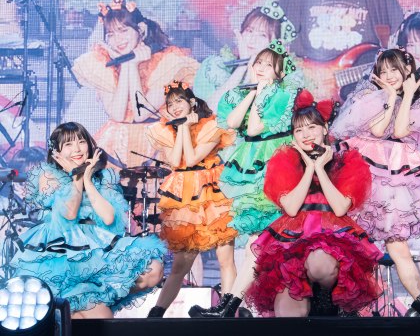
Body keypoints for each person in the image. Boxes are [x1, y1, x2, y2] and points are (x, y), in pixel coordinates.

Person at [330, 48, 420, 316]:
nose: (389, 75)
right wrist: (391, 96)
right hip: (367, 176)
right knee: (352, 243)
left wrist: (405, 95)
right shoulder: (371, 97)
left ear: (407, 70)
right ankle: (342, 305)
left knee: (397, 245)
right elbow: (379, 130)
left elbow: (402, 130)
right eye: (383, 71)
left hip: (396, 180)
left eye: (394, 69)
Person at [189, 40, 302, 318]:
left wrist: (261, 95)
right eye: (258, 62)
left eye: (268, 65)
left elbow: (253, 129)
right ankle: (233, 305)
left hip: (275, 166)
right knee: (257, 241)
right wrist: (253, 94)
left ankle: (234, 305)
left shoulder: (283, 94)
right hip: (251, 166)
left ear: (280, 71)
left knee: (270, 242)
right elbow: (231, 122)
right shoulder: (245, 92)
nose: (260, 68)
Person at [244, 90, 381, 317]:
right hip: (292, 240)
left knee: (320, 265)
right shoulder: (285, 160)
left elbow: (340, 208)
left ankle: (326, 299)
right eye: (299, 130)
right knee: (287, 315)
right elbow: (291, 208)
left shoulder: (345, 160)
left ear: (325, 129)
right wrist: (309, 168)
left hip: (330, 234)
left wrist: (321, 169)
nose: (306, 134)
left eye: (311, 127)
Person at [9, 122, 166, 318]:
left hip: (96, 247)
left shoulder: (102, 177)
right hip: (62, 254)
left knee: (154, 270)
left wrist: (88, 180)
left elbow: (108, 218)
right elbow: (69, 214)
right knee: (100, 317)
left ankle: (90, 302)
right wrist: (76, 177)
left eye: (81, 142)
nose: (77, 149)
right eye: (68, 144)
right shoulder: (48, 175)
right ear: (57, 152)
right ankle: (74, 309)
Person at [144, 81, 237, 318]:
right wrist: (182, 128)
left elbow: (194, 158)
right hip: (184, 196)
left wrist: (186, 127)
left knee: (225, 256)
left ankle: (226, 310)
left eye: (180, 101)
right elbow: (176, 162)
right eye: (170, 104)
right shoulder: (165, 130)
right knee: (180, 264)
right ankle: (156, 313)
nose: (175, 107)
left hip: (212, 193)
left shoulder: (211, 126)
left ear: (192, 102)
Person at [72, 0, 199, 166]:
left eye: (123, 31)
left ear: (141, 30)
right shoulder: (103, 64)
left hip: (157, 145)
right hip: (117, 144)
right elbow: (117, 114)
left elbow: (141, 114)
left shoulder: (167, 63)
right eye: (111, 34)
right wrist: (128, 65)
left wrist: (132, 65)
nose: (117, 40)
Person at [193, 3, 296, 111]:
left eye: (262, 35)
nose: (252, 39)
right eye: (249, 31)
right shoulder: (213, 66)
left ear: (275, 44)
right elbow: (210, 110)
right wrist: (242, 66)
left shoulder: (281, 79)